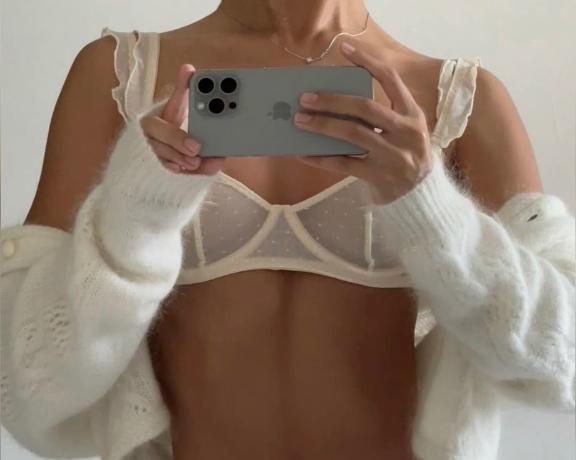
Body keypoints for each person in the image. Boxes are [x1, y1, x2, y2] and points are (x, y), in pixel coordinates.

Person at [1, 0, 574, 459]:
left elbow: (563, 360)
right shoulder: (121, 75)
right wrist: (137, 209)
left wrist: (428, 206)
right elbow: (21, 384)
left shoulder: (459, 98)